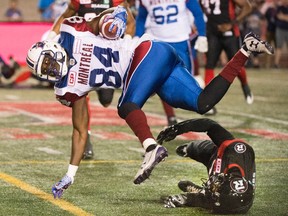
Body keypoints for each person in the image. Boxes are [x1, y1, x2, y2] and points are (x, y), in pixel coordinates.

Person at [25, 6, 273, 198]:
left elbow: (113, 15)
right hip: (157, 66)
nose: (50, 69)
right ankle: (246, 50)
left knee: (126, 105)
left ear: (51, 47)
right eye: (43, 70)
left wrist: (113, 21)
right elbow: (80, 130)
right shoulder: (66, 89)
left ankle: (151, 148)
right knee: (202, 102)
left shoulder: (71, 31)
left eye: (47, 61)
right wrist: (70, 174)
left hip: (145, 52)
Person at [46, 0, 136, 159]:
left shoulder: (115, 1)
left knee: (106, 100)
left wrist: (126, 43)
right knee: (80, 93)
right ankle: (85, 138)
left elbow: (130, 23)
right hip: (84, 53)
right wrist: (52, 36)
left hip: (106, 57)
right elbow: (65, 16)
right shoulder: (78, 1)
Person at [157, 118, 255, 214]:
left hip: (225, 177)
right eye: (219, 186)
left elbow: (216, 201)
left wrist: (186, 199)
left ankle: (202, 192)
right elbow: (209, 125)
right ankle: (189, 150)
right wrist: (178, 128)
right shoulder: (233, 149)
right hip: (213, 153)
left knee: (211, 195)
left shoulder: (242, 198)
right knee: (186, 149)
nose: (215, 187)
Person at [135, 0, 207, 124]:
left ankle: (199, 102)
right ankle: (170, 116)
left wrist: (202, 35)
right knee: (160, 80)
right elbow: (141, 18)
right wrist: (137, 36)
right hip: (157, 42)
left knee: (186, 79)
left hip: (180, 39)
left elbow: (197, 12)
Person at [200, 0, 254, 112]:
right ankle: (208, 102)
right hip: (212, 32)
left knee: (236, 65)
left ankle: (245, 85)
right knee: (209, 64)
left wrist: (232, 23)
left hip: (230, 34)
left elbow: (247, 7)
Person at [274, 0, 288, 69]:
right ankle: (276, 64)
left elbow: (282, 16)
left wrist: (283, 16)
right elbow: (279, 16)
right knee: (279, 47)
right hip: (280, 29)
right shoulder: (279, 7)